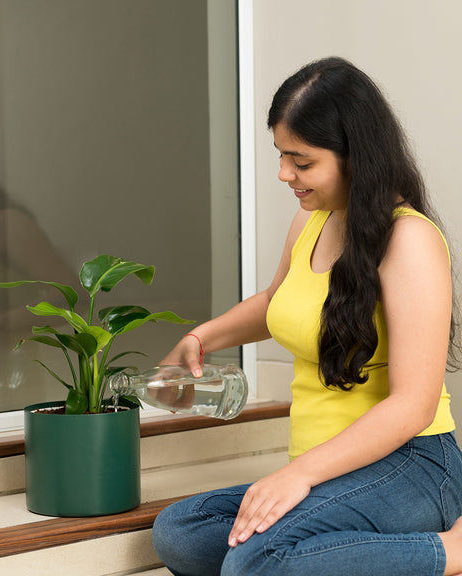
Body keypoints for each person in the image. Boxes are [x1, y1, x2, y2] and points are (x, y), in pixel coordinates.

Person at [152, 57, 462, 576]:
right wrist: (201, 337)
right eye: (280, 155)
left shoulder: (409, 240)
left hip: (412, 464)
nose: (283, 174)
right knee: (182, 531)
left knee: (254, 562)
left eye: (301, 160)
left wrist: (297, 477)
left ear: (356, 157)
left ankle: (449, 553)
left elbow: (414, 405)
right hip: (329, 471)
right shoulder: (312, 219)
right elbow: (278, 303)